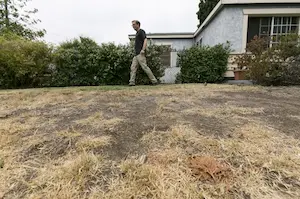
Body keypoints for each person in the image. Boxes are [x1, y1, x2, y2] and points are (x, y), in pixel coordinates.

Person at [129, 20, 158, 86]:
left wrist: (143, 50)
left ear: (138, 25)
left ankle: (154, 81)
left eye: (134, 24)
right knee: (133, 68)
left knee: (145, 67)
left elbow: (145, 40)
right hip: (136, 54)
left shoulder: (141, 31)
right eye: (132, 25)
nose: (132, 26)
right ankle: (132, 82)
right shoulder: (137, 33)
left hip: (140, 53)